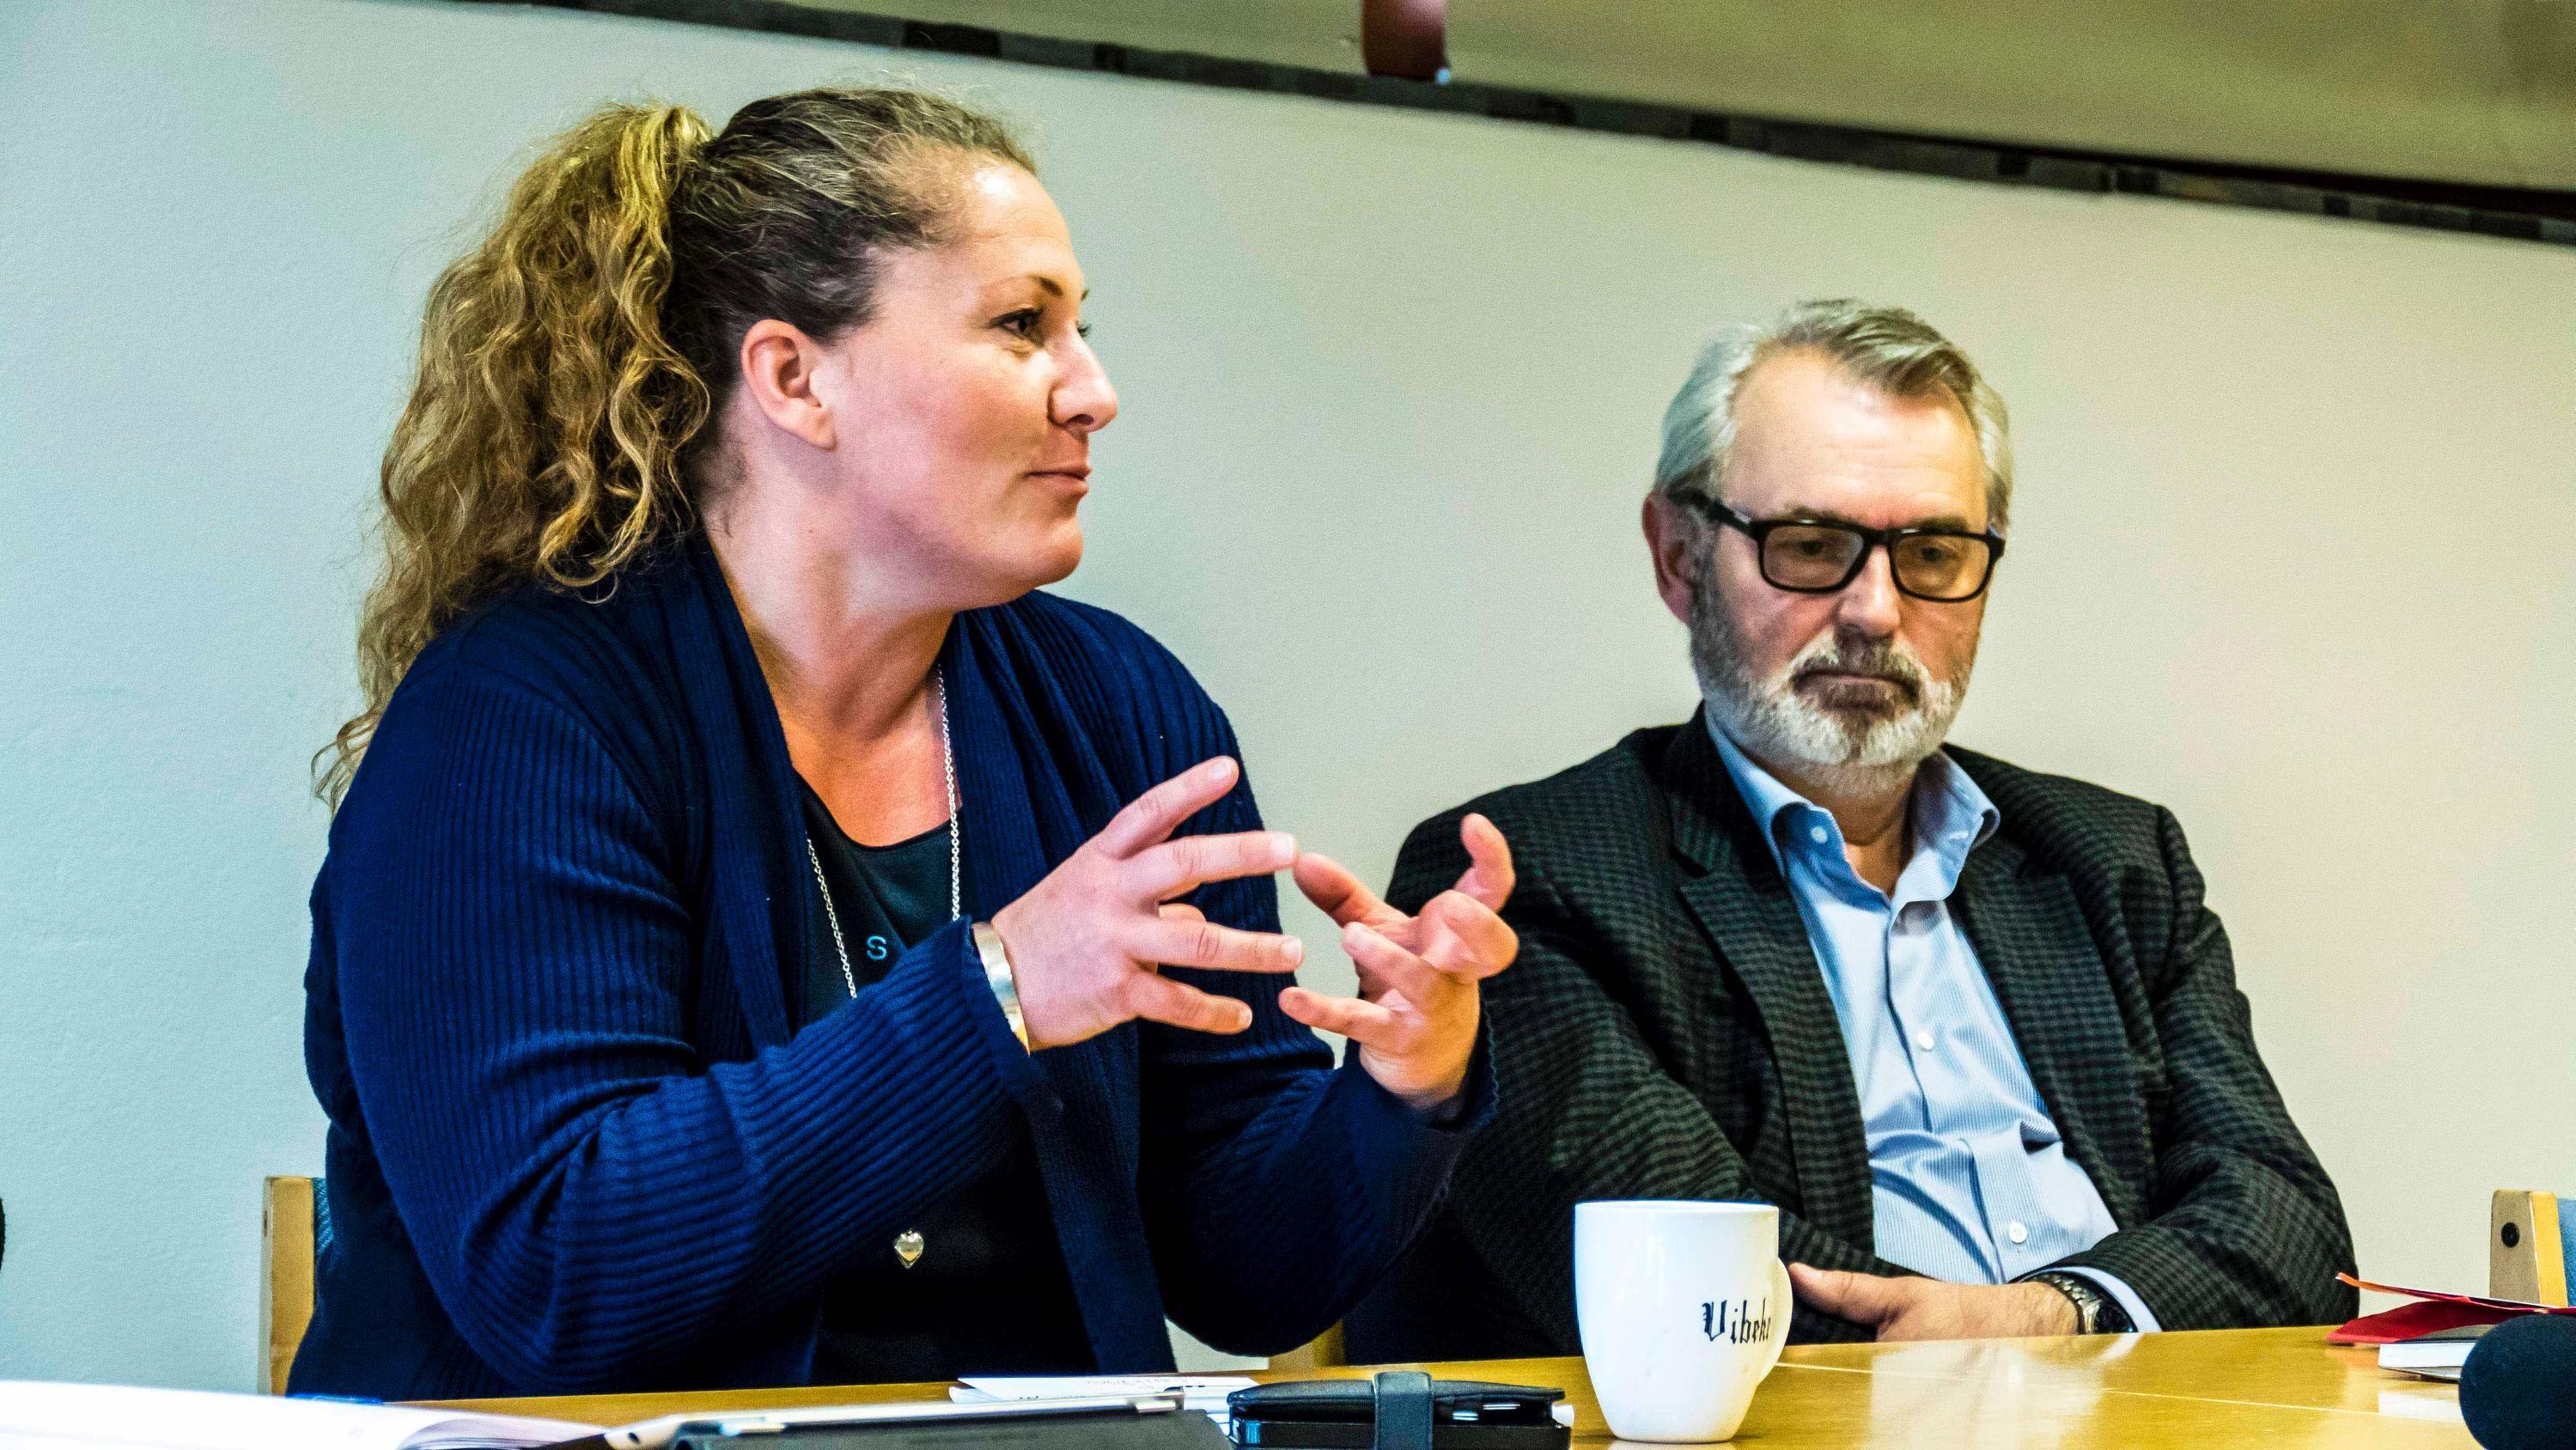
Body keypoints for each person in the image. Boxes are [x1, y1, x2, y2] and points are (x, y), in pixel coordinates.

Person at [290, 88, 1517, 1400]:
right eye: (1020, 326)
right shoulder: (519, 714)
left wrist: (1404, 1086)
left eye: (1080, 331)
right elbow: (557, 1269)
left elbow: (1241, 1274)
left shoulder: (1124, 709)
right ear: (794, 378)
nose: (1093, 393)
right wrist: (1000, 989)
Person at [1347, 300, 2353, 1357]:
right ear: (1679, 556)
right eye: (1811, 544)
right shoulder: (1524, 882)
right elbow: (1689, 1282)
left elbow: (2289, 1229)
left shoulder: (2113, 860)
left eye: (1933, 552)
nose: (1874, 610)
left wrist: (2050, 1313)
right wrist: (2001, 1359)